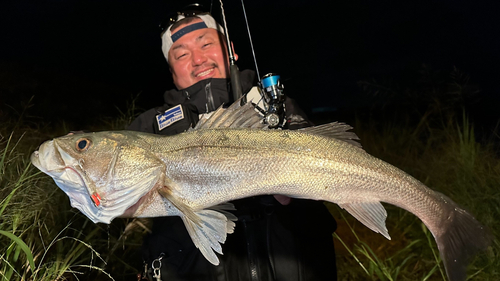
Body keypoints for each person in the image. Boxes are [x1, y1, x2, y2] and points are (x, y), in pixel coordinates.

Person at [128, 7, 337, 281]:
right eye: (181, 54)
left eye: (206, 44)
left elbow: (330, 172)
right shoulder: (149, 127)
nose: (198, 59)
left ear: (232, 52)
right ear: (171, 70)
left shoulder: (276, 107)